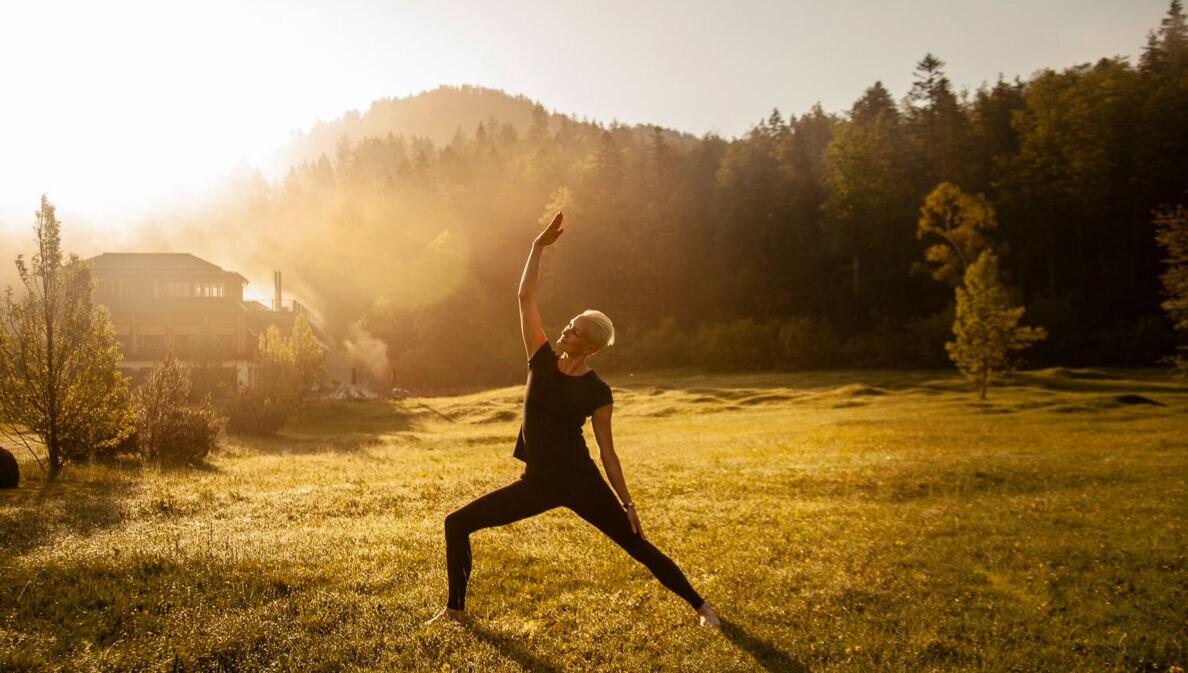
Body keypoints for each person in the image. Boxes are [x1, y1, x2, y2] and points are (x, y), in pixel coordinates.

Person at [429, 212, 720, 628]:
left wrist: (629, 505)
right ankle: (455, 610)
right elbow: (524, 299)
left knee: (637, 545)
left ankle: (703, 608)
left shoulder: (598, 392)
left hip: (582, 483)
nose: (566, 329)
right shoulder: (541, 360)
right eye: (569, 324)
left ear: (590, 347)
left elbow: (608, 452)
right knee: (457, 523)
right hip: (536, 483)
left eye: (576, 330)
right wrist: (537, 247)